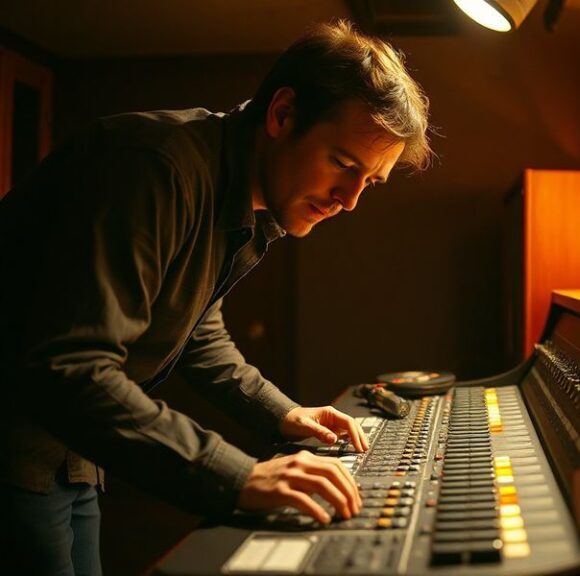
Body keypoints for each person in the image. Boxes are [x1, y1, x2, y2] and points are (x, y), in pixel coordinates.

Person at [0, 19, 431, 575]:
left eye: (368, 181)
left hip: (70, 453)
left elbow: (197, 330)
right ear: (282, 114)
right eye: (344, 165)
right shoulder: (155, 167)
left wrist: (284, 414)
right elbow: (71, 366)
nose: (349, 200)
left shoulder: (238, 196)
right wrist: (239, 475)